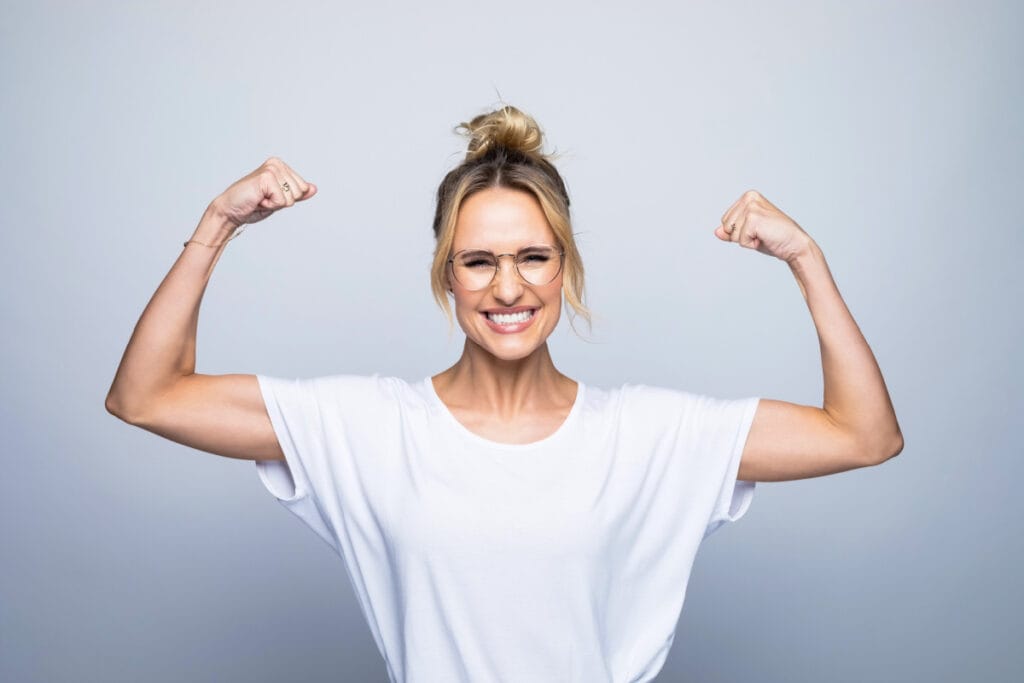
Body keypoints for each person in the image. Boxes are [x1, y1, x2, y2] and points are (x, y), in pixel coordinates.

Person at [105, 104, 903, 682]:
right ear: (446, 275)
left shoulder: (647, 435)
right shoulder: (370, 426)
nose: (508, 286)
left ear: (566, 268)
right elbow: (147, 395)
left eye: (533, 256)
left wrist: (806, 258)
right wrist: (217, 225)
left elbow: (864, 434)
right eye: (478, 260)